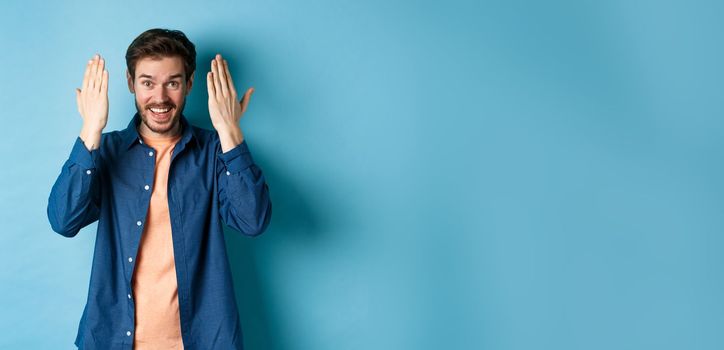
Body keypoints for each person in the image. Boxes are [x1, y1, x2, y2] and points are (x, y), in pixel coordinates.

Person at [46, 28, 272, 350]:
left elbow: (253, 220)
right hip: (114, 340)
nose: (161, 97)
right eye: (148, 82)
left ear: (189, 84)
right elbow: (63, 220)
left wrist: (230, 132)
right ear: (130, 83)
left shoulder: (214, 151)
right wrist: (90, 131)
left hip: (201, 341)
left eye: (173, 83)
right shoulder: (106, 150)